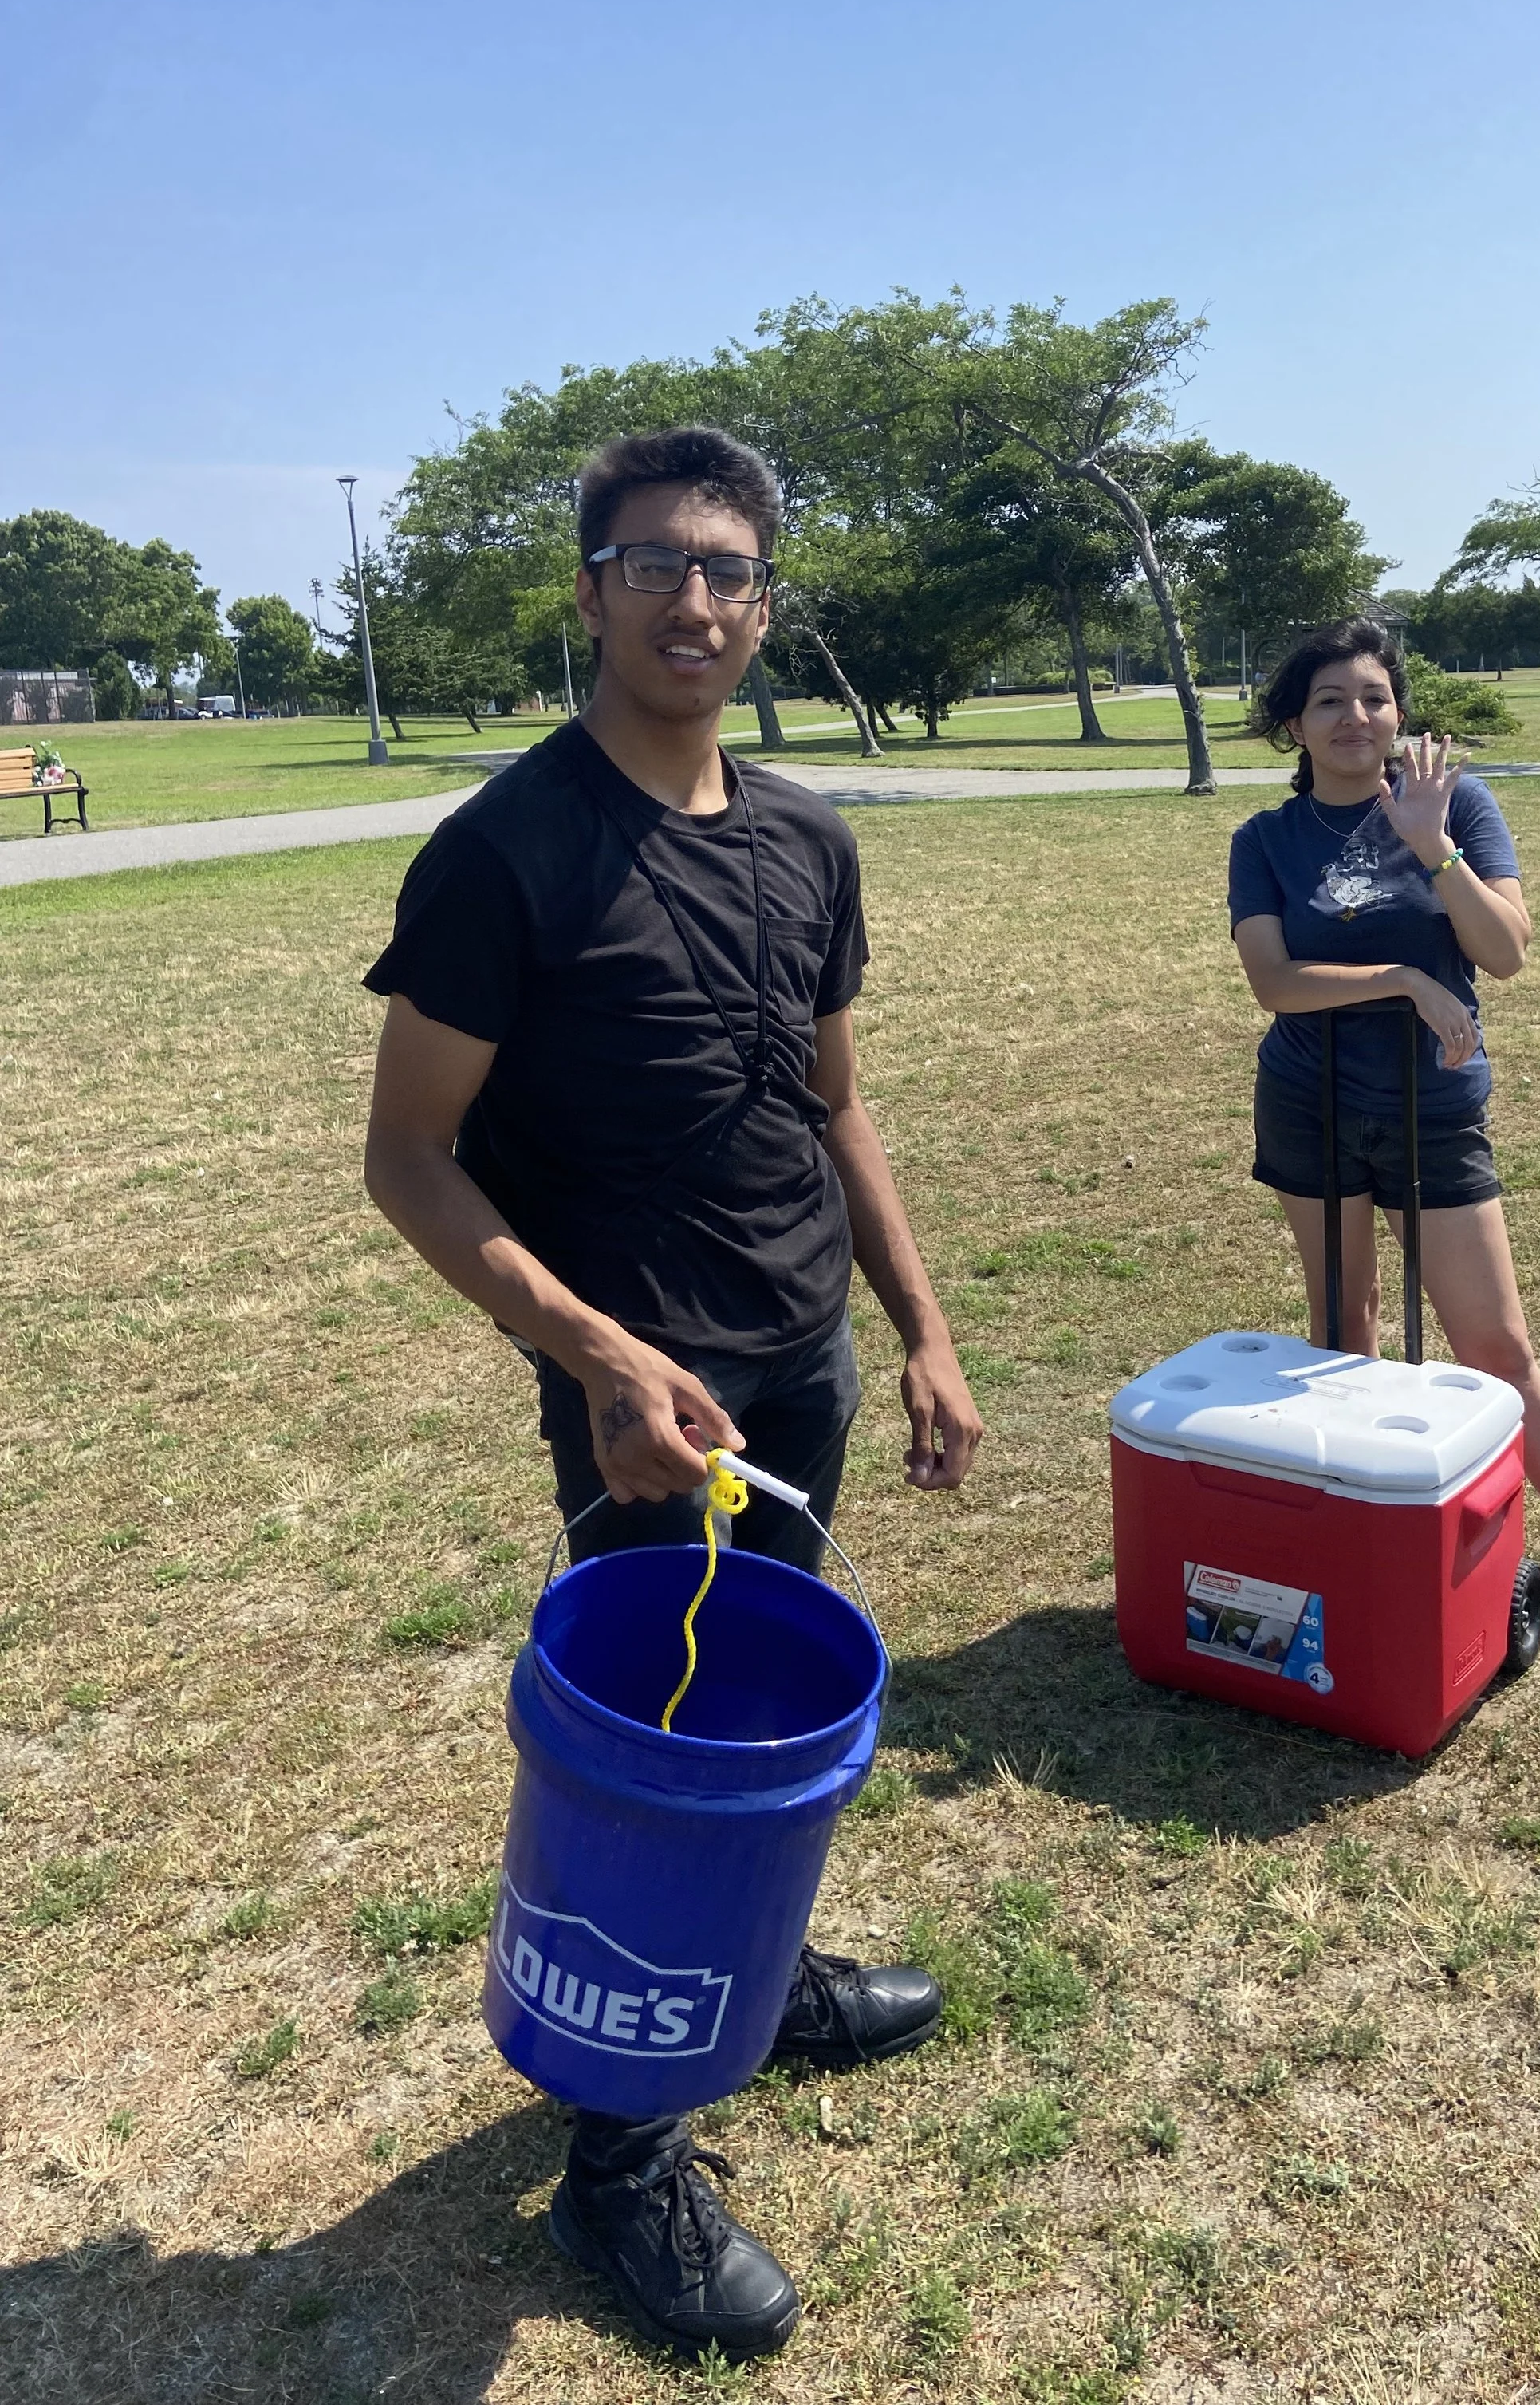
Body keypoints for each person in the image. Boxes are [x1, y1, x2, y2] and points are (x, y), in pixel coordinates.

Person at [360, 425, 985, 2361]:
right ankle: (620, 2158)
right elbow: (409, 1156)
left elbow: (834, 1097)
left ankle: (764, 1975)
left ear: (763, 599)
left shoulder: (806, 836)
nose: (692, 601)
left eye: (723, 569)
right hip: (643, 1412)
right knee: (661, 1759)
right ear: (591, 592)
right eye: (652, 566)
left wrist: (921, 1324)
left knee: (765, 1702)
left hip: (794, 1364)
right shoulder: (506, 851)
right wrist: (598, 1352)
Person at [1227, 618, 1540, 1650]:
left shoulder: (1457, 806)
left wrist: (1431, 846)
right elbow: (1274, 980)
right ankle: (1367, 1541)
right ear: (1294, 726)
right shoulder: (1265, 842)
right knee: (1344, 1333)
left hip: (1434, 1107)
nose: (1356, 717)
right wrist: (1405, 977)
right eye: (1329, 701)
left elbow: (1504, 952)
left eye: (1374, 696)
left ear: (1399, 710)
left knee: (1495, 1344)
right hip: (1311, 1100)